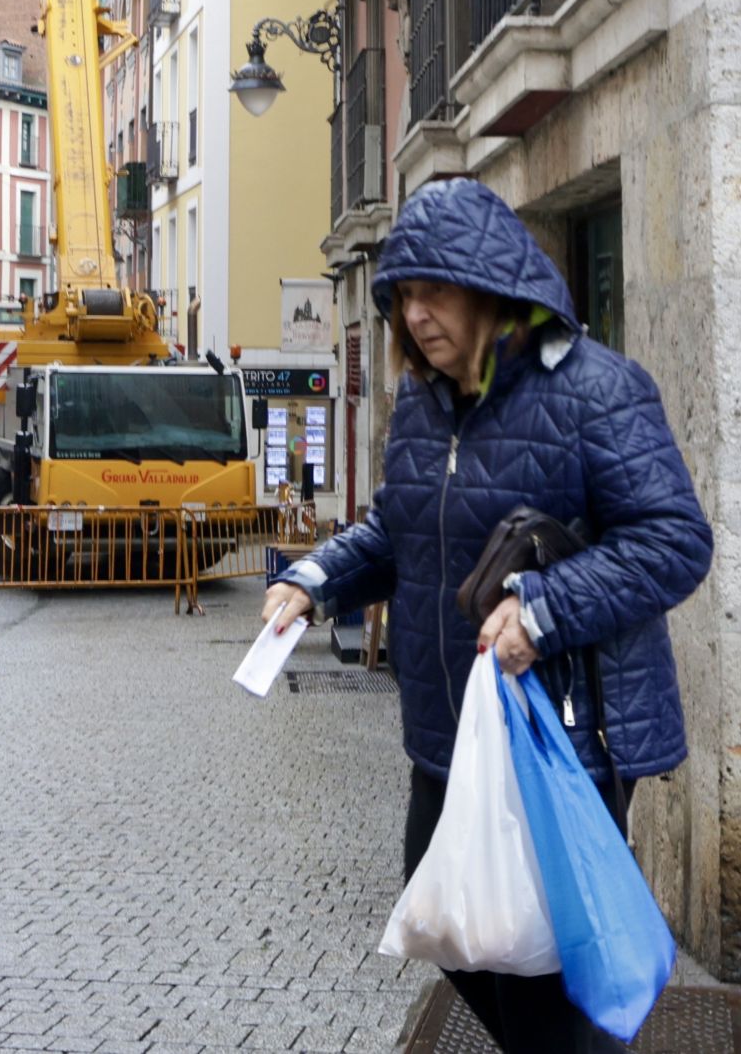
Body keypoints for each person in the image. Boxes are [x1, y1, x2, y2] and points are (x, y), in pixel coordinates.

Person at [261, 179, 713, 1053]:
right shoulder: (425, 407)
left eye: (436, 291)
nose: (417, 315)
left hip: (561, 737)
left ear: (491, 289)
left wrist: (541, 611)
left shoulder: (598, 389)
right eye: (403, 298)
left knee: (541, 969)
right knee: (456, 932)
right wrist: (315, 579)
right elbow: (399, 528)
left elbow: (674, 542)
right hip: (446, 728)